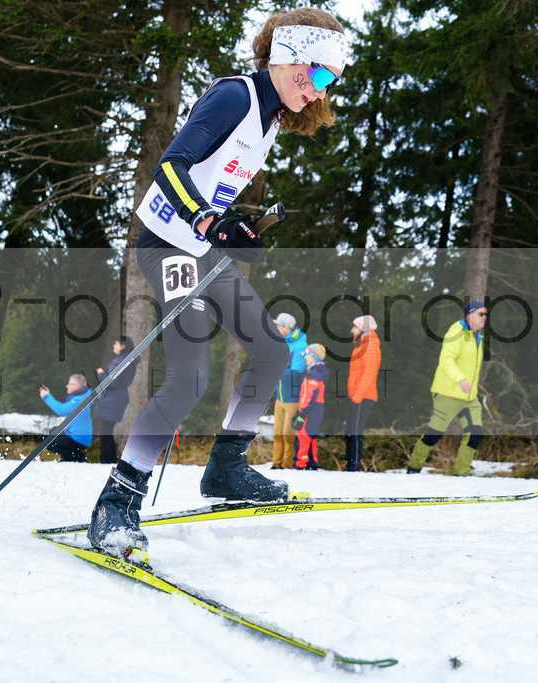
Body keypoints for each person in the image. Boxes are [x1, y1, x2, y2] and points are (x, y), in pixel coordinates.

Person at [86, 7, 351, 559]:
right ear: (291, 59)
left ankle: (226, 466)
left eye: (332, 81)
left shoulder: (271, 120)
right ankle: (119, 498)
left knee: (272, 350)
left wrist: (237, 227)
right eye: (322, 75)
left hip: (203, 249)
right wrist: (207, 218)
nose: (323, 91)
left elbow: (216, 190)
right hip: (168, 246)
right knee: (191, 375)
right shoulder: (235, 97)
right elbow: (172, 165)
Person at [407, 300, 487, 476]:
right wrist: (460, 379)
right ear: (468, 315)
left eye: (485, 314)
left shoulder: (477, 337)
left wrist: (469, 387)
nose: (484, 318)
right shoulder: (457, 332)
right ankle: (413, 469)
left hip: (469, 397)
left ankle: (461, 475)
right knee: (433, 434)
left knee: (474, 433)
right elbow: (446, 360)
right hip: (448, 393)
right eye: (480, 314)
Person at [93, 337, 140, 464]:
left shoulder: (120, 361)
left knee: (105, 432)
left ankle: (106, 460)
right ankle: (110, 459)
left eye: (116, 343)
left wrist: (101, 373)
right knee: (107, 431)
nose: (113, 345)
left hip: (112, 399)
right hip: (117, 399)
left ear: (123, 346)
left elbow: (112, 383)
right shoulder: (127, 361)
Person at [271, 312, 308, 469]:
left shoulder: (300, 346)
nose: (276, 328)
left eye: (278, 325)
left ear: (286, 327)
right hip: (280, 397)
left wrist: (276, 369)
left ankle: (287, 465)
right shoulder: (281, 342)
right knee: (277, 433)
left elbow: (296, 374)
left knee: (288, 434)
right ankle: (276, 463)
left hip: (292, 398)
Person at [345, 314, 380, 471]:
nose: (352, 330)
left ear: (363, 329)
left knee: (355, 431)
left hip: (363, 396)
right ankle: (351, 465)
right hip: (357, 396)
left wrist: (357, 397)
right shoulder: (361, 346)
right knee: (349, 431)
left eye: (355, 327)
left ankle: (354, 467)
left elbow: (369, 374)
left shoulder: (370, 347)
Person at [40, 374, 94, 462]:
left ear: (77, 387)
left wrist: (46, 397)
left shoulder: (79, 401)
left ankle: (77, 457)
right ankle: (69, 456)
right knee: (54, 431)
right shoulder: (81, 398)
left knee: (50, 443)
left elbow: (60, 410)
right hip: (76, 435)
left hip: (79, 439)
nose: (67, 386)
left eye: (69, 384)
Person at [294, 343, 328, 470]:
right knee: (311, 435)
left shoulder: (314, 374)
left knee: (304, 435)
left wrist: (303, 410)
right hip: (316, 409)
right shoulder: (315, 372)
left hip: (311, 409)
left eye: (308, 355)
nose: (305, 357)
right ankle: (312, 462)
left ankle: (301, 463)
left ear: (315, 357)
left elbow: (309, 394)